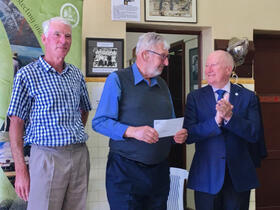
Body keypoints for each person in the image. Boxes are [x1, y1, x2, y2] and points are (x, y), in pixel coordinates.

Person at [92, 32, 187, 210]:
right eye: (163, 57)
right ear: (145, 54)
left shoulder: (163, 85)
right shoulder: (117, 79)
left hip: (159, 172)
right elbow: (100, 122)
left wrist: (178, 134)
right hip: (125, 172)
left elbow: (171, 121)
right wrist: (133, 131)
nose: (166, 63)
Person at [8, 17, 92, 210]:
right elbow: (16, 123)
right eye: (57, 35)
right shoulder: (27, 74)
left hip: (79, 154)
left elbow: (84, 109)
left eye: (68, 36)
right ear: (44, 38)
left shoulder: (76, 75)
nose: (63, 40)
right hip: (46, 157)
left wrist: (70, 133)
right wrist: (20, 170)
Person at [183, 50, 261, 210]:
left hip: (238, 177)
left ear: (228, 69)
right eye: (206, 65)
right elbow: (189, 134)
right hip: (206, 176)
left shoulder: (248, 97)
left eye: (213, 65)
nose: (208, 70)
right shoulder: (195, 97)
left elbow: (254, 133)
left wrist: (230, 118)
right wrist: (216, 121)